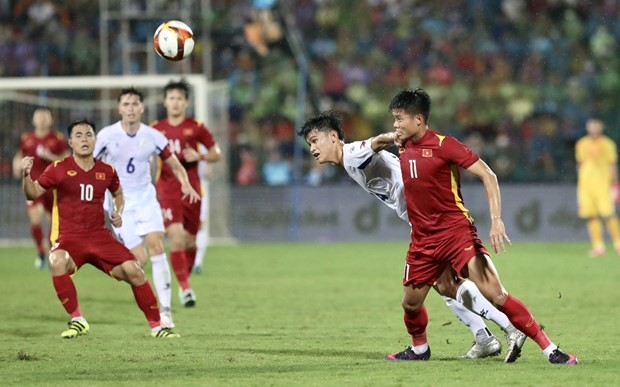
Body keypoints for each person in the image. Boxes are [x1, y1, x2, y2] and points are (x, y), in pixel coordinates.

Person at [297, 110, 526, 360]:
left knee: (450, 283)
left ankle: (509, 326)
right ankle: (484, 337)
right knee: (444, 284)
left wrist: (391, 136)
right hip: (423, 218)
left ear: (333, 136)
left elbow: (375, 142)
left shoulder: (351, 154)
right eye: (310, 144)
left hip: (429, 219)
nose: (312, 148)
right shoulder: (349, 160)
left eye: (315, 140)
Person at [385, 88, 577, 364]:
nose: (395, 125)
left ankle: (551, 350)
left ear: (418, 120)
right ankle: (419, 350)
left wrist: (496, 220)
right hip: (423, 240)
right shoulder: (401, 144)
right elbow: (382, 141)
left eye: (399, 119)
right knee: (411, 304)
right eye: (393, 119)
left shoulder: (444, 145)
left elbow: (488, 175)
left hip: (456, 233)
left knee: (496, 294)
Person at [21, 119, 178, 338]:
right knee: (56, 261)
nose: (84, 139)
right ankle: (78, 319)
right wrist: (26, 176)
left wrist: (118, 210)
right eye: (78, 135)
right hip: (70, 239)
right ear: (70, 142)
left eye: (88, 135)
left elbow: (118, 193)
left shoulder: (107, 171)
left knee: (135, 270)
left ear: (95, 140)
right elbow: (32, 193)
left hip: (100, 237)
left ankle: (157, 327)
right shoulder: (59, 169)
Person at [95, 87, 201, 327]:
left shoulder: (152, 135)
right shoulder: (107, 136)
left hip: (146, 199)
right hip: (120, 204)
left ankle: (165, 313)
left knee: (156, 247)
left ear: (142, 108)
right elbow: (88, 165)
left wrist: (185, 183)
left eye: (135, 104)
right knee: (137, 262)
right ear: (119, 108)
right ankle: (110, 267)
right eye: (126, 104)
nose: (130, 108)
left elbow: (174, 164)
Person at [151, 80, 222, 302]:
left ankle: (184, 279)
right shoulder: (155, 128)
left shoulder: (196, 127)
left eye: (179, 98)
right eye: (171, 98)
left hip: (192, 191)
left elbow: (216, 152)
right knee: (176, 237)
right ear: (165, 101)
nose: (175, 102)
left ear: (186, 103)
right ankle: (185, 288)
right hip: (167, 189)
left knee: (190, 241)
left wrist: (199, 156)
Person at [12, 107, 69, 269]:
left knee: (53, 223)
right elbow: (19, 156)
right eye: (39, 116)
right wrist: (17, 166)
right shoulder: (27, 138)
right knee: (35, 220)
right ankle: (41, 252)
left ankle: (53, 253)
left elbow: (66, 160)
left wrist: (49, 156)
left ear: (51, 120)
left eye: (45, 116)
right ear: (34, 120)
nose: (42, 119)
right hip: (33, 186)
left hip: (52, 187)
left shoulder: (57, 139)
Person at [575, 117, 620, 257]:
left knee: (608, 214)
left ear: (601, 126)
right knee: (591, 215)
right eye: (591, 124)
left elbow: (612, 164)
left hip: (603, 184)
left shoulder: (608, 144)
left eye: (596, 124)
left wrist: (615, 184)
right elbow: (580, 164)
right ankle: (598, 246)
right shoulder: (581, 144)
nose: (593, 127)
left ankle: (618, 243)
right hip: (586, 186)